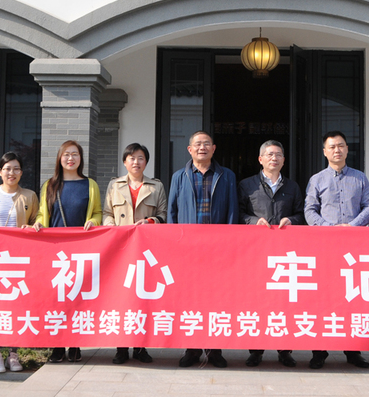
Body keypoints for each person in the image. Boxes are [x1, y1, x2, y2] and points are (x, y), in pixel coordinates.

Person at [304, 131, 369, 370]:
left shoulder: (360, 177)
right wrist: (329, 229)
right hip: (325, 247)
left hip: (354, 248)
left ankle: (353, 351)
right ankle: (319, 351)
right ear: (325, 151)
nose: (337, 150)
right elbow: (310, 210)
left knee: (352, 298)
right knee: (323, 298)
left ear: (347, 149)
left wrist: (352, 227)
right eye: (332, 146)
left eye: (341, 146)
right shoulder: (317, 179)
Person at [168, 130, 237, 368]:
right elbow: (172, 212)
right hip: (188, 250)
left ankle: (215, 350)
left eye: (207, 143)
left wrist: (229, 243)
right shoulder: (179, 177)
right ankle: (192, 349)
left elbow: (232, 211)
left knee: (217, 299)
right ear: (189, 149)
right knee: (190, 299)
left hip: (217, 249)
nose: (202, 147)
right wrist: (175, 244)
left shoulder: (226, 176)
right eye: (197, 144)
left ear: (214, 148)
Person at [34, 140, 102, 364]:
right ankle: (57, 345)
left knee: (77, 297)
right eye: (66, 154)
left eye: (75, 154)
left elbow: (97, 212)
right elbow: (43, 213)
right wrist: (38, 223)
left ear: (81, 158)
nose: (70, 158)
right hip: (56, 250)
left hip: (81, 249)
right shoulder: (50, 185)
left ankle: (74, 344)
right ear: (59, 158)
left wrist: (93, 221)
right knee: (56, 298)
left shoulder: (90, 185)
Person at [238, 140, 304, 368]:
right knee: (257, 300)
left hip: (284, 254)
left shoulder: (293, 187)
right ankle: (255, 350)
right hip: (256, 251)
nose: (274, 158)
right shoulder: (247, 185)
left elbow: (301, 214)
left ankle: (285, 350)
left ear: (284, 160)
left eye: (278, 155)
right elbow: (238, 213)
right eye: (269, 154)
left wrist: (292, 220)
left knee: (283, 302)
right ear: (260, 159)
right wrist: (253, 221)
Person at [103, 142, 167, 365]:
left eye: (140, 158)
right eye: (131, 158)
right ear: (125, 162)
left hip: (145, 251)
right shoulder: (114, 185)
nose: (136, 162)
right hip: (120, 250)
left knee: (142, 299)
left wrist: (150, 221)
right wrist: (112, 229)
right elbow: (107, 213)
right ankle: (121, 348)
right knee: (121, 298)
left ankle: (140, 347)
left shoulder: (156, 187)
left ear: (146, 162)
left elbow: (163, 215)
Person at [0, 151, 39, 373]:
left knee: (16, 306)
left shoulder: (29, 196)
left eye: (16, 169)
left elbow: (37, 220)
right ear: (0, 172)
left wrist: (34, 226)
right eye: (7, 169)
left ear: (21, 172)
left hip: (18, 260)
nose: (11, 173)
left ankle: (13, 353)